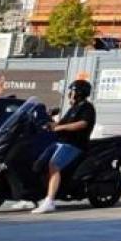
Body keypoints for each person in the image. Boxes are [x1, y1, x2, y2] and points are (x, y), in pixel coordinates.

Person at [33, 80, 96, 214]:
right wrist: (48, 122)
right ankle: (32, 197)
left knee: (54, 165)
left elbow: (83, 124)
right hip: (60, 142)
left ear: (79, 93)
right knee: (38, 163)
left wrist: (61, 127)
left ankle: (50, 201)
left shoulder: (87, 108)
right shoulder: (73, 108)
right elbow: (59, 125)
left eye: (72, 92)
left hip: (74, 144)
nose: (69, 94)